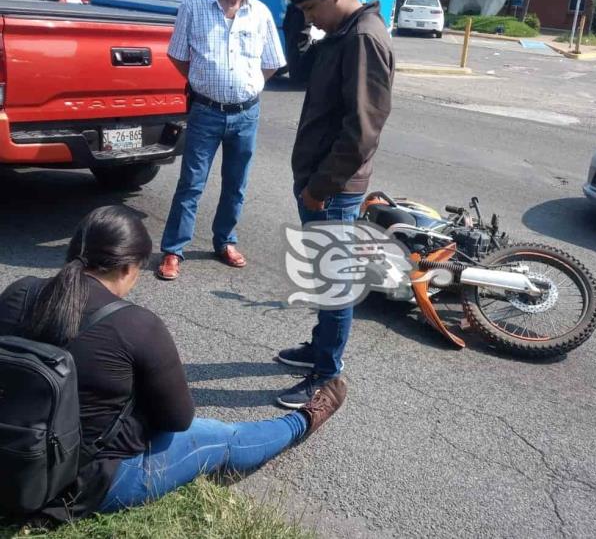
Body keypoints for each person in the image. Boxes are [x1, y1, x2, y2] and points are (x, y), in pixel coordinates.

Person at [0, 206, 346, 522]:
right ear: (127, 267)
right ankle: (300, 421)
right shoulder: (136, 324)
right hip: (86, 484)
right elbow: (177, 419)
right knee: (221, 437)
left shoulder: (20, 291)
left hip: (12, 457)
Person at [275, 0, 395, 408]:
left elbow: (363, 129)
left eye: (312, 8)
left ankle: (326, 375)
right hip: (318, 180)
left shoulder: (363, 37)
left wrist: (319, 187)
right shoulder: (341, 31)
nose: (312, 18)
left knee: (334, 285)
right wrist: (297, 19)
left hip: (332, 188)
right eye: (303, 11)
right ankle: (319, 347)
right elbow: (301, 72)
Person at [157, 0, 287, 281]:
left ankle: (225, 240)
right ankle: (174, 250)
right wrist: (203, 80)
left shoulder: (260, 12)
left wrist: (248, 85)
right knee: (191, 183)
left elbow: (272, 62)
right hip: (206, 111)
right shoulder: (193, 6)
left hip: (246, 114)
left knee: (236, 183)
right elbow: (178, 56)